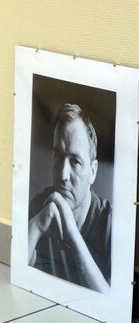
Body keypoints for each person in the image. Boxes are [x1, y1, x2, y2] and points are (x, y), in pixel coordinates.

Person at [28, 103, 111, 293]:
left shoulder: (110, 224)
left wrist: (72, 235)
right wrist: (37, 226)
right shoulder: (40, 206)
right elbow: (18, 271)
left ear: (92, 171)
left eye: (75, 161)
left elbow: (112, 304)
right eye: (58, 157)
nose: (63, 174)